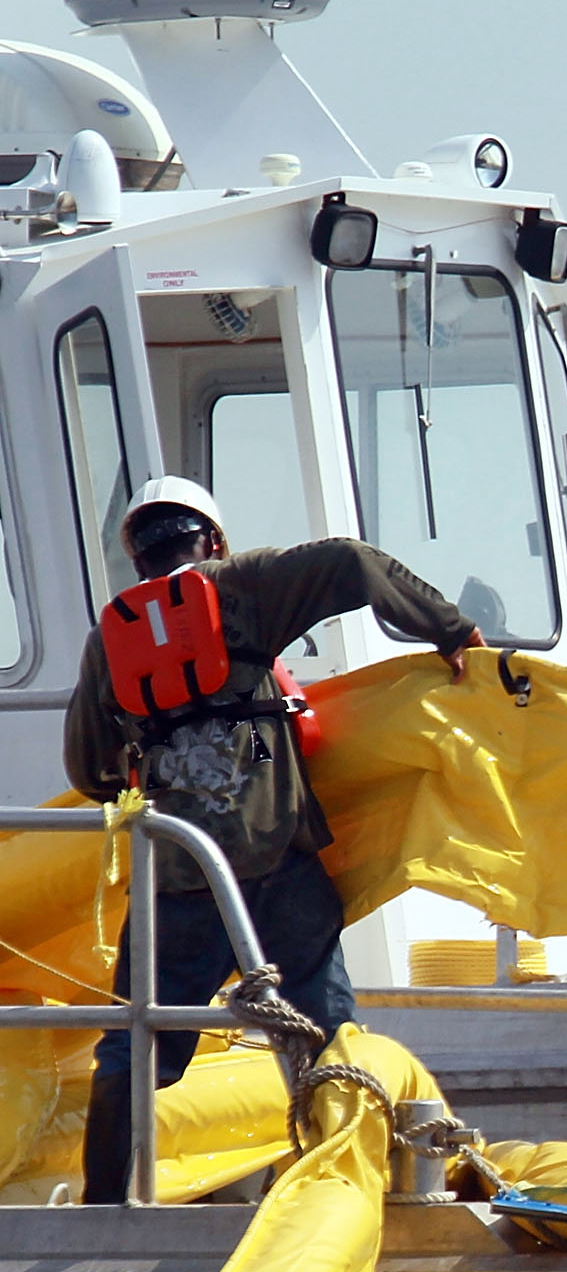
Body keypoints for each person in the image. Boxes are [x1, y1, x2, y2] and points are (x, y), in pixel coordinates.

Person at [63, 478, 480, 1201]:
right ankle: (342, 1192)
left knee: (134, 1046)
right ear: (213, 540)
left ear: (137, 557)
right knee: (328, 1039)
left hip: (179, 879)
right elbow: (352, 560)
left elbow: (88, 767)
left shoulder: (112, 637)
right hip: (277, 862)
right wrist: (448, 628)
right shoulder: (244, 586)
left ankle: (103, 1207)